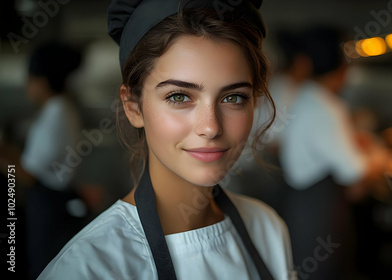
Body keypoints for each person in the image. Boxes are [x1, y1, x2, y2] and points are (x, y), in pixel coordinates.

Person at [38, 1, 296, 279]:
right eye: (179, 97)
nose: (210, 127)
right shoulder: (88, 267)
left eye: (233, 98)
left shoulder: (267, 228)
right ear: (133, 106)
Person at [279, 26, 388, 279]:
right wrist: (382, 158)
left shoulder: (306, 96)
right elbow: (355, 170)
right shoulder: (326, 105)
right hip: (317, 216)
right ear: (343, 67)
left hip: (303, 207)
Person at [0, 41, 84, 279]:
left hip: (50, 205)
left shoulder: (56, 114)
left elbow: (27, 174)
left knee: (45, 269)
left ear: (42, 81)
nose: (27, 85)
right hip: (50, 201)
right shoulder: (58, 108)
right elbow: (30, 162)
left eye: (29, 78)